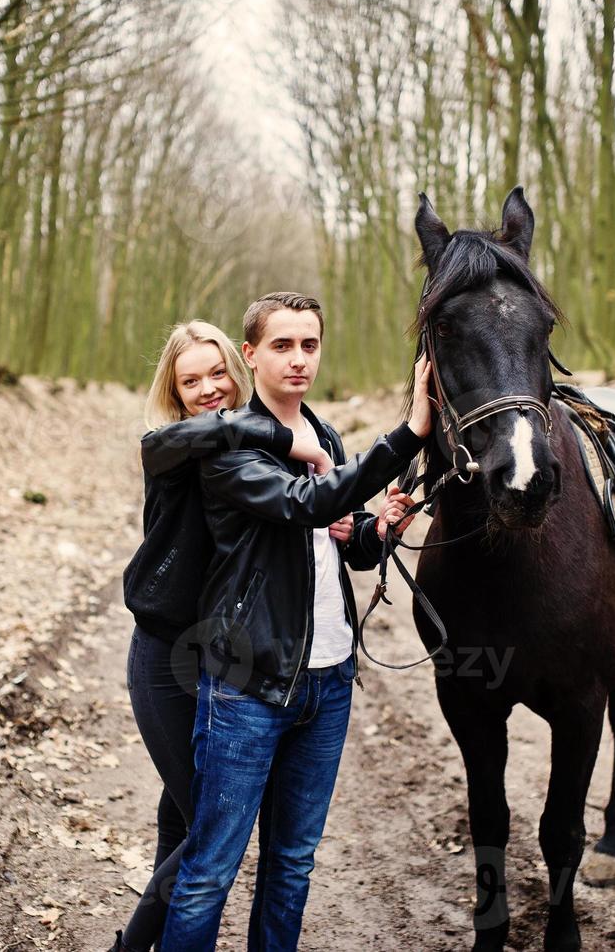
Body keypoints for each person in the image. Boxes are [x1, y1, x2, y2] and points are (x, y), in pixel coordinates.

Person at [114, 320, 405, 952]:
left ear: (237, 370)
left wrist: (369, 528)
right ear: (174, 388)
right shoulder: (177, 443)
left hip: (233, 641)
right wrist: (286, 440)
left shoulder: (294, 433)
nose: (208, 388)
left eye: (217, 374)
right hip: (172, 652)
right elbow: (255, 460)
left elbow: (324, 533)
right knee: (206, 834)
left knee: (183, 824)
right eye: (190, 379)